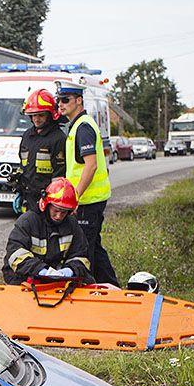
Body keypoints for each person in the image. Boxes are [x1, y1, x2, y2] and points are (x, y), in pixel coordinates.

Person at [56, 86, 118, 286]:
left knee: (85, 250)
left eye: (65, 99)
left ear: (79, 101)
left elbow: (90, 166)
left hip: (88, 201)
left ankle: (88, 291)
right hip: (90, 199)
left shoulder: (83, 127)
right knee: (95, 247)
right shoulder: (77, 126)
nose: (61, 104)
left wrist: (75, 198)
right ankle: (112, 286)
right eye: (59, 100)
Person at [2, 178, 93, 285]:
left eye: (63, 212)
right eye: (56, 210)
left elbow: (82, 256)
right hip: (25, 275)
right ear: (46, 205)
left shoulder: (72, 225)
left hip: (59, 277)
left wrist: (69, 271)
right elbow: (15, 253)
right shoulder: (28, 221)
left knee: (88, 281)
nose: (59, 216)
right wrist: (41, 271)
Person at [16, 89, 66, 214]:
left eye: (41, 115)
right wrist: (19, 189)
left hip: (47, 199)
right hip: (28, 198)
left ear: (50, 115)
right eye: (33, 115)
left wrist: (53, 201)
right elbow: (23, 165)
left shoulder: (58, 138)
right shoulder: (27, 136)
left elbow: (60, 174)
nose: (36, 119)